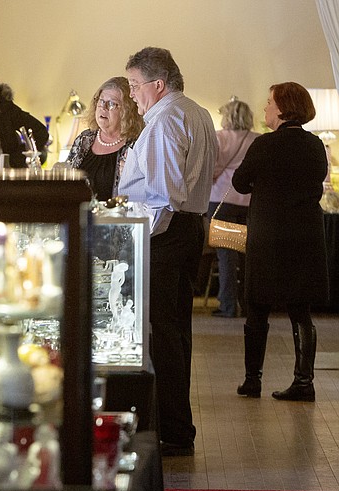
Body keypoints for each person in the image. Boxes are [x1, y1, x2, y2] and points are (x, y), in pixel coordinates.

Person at [118, 47, 218, 456]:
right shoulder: (197, 112)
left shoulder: (162, 122)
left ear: (158, 85)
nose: (132, 95)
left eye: (135, 86)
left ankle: (172, 428)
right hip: (189, 229)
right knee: (177, 332)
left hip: (166, 234)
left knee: (161, 335)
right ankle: (177, 426)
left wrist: (137, 236)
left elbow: (163, 198)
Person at [232, 82, 328, 402]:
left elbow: (239, 182)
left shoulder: (264, 145)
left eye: (269, 102)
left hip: (269, 237)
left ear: (283, 107)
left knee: (257, 307)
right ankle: (304, 382)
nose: (265, 108)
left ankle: (252, 379)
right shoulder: (316, 145)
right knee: (301, 310)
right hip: (305, 236)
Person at [207, 98, 259, 318]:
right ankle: (249, 304)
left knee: (227, 256)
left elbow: (212, 169)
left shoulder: (220, 138)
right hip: (248, 202)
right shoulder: (257, 139)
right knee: (247, 257)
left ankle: (228, 305)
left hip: (222, 199)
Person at [65, 76, 144, 200]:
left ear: (127, 111)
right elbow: (67, 179)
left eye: (112, 104)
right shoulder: (84, 139)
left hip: (116, 217)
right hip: (80, 216)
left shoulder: (136, 145)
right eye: (101, 101)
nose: (103, 107)